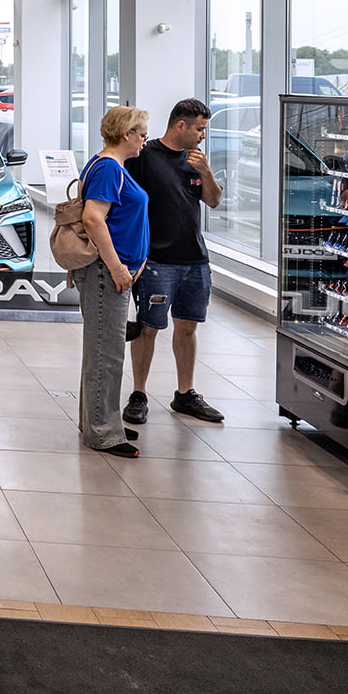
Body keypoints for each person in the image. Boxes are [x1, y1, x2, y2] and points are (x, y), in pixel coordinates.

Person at [123, 99, 226, 426]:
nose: (203, 136)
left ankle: (185, 393)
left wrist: (205, 171)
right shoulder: (146, 155)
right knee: (148, 328)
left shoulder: (196, 160)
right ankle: (139, 393)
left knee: (188, 326)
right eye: (199, 129)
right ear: (181, 125)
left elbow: (213, 200)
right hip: (157, 260)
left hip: (195, 259)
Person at [71, 105, 151, 459]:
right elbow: (93, 219)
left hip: (112, 272)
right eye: (142, 135)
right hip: (106, 274)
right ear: (126, 135)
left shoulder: (111, 166)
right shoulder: (107, 169)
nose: (145, 141)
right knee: (107, 354)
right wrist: (117, 266)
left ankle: (99, 420)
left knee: (102, 351)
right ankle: (103, 432)